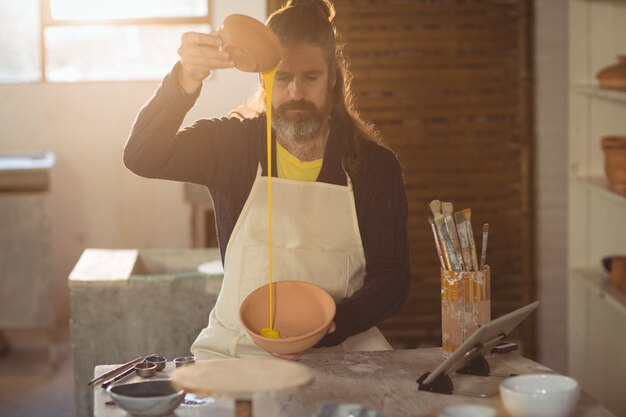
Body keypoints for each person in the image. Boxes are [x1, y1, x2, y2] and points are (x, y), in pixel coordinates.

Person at [124, 0, 410, 360]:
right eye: (283, 78)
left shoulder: (374, 166)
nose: (295, 93)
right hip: (239, 351)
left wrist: (338, 322)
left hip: (342, 350)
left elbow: (392, 277)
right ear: (262, 77)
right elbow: (142, 156)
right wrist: (185, 78)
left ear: (333, 77)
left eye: (310, 77)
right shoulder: (231, 146)